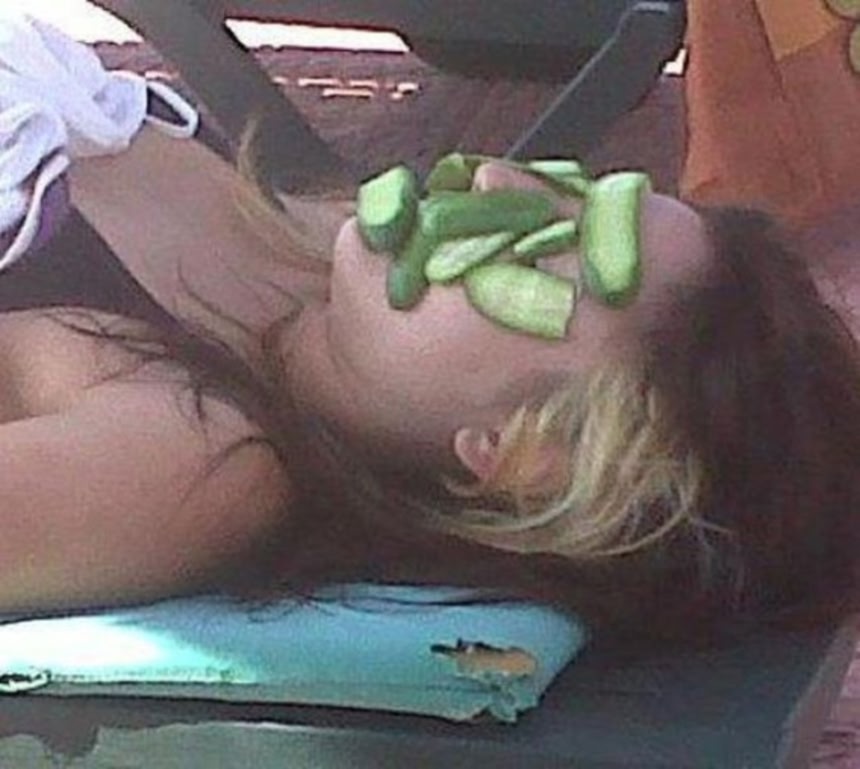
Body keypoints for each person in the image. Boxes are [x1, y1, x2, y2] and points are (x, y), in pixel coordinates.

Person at [1, 13, 859, 644]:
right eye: (570, 187)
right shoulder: (280, 253)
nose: (493, 180)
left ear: (526, 457)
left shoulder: (197, 465)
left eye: (550, 247)